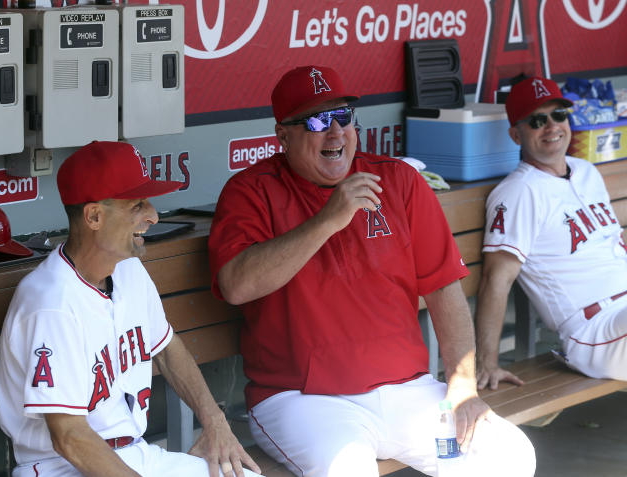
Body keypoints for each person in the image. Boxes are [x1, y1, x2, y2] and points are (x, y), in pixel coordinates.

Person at [208, 65, 535, 477]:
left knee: (511, 455)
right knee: (350, 470)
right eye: (317, 120)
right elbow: (237, 285)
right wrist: (328, 219)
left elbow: (443, 290)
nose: (335, 132)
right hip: (304, 401)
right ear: (282, 135)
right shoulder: (251, 191)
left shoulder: (398, 180)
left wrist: (463, 388)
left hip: (408, 393)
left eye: (343, 117)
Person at [0, 141, 262, 477]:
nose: (152, 216)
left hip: (134, 455)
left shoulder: (127, 268)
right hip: (61, 467)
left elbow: (165, 348)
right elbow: (69, 438)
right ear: (94, 216)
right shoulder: (51, 303)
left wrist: (214, 422)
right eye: (137, 205)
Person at [475, 76, 627, 391]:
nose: (552, 126)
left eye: (558, 115)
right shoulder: (518, 192)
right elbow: (496, 280)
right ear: (516, 135)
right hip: (594, 330)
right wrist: (487, 362)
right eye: (537, 120)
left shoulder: (585, 171)